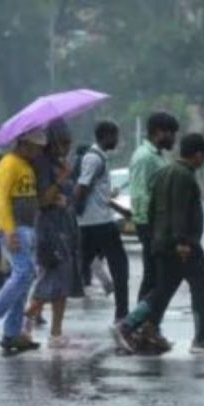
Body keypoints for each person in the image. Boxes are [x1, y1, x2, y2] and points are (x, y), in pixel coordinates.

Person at [112, 134, 204, 355]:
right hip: (181, 244)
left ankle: (128, 325)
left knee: (163, 289)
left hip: (162, 242)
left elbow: (153, 208)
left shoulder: (164, 173)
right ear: (198, 155)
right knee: (200, 279)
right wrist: (183, 243)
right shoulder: (184, 176)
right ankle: (201, 338)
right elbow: (179, 211)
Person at [0, 129, 45, 353]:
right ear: (23, 144)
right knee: (24, 274)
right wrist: (9, 230)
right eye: (35, 148)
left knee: (25, 279)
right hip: (14, 229)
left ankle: (12, 334)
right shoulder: (8, 163)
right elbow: (1, 199)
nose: (37, 153)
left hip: (27, 228)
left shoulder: (26, 166)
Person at [24, 121, 79, 349]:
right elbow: (43, 200)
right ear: (53, 142)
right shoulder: (43, 164)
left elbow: (68, 195)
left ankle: (56, 332)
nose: (67, 147)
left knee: (63, 282)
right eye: (63, 142)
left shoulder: (59, 163)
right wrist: (61, 178)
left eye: (69, 142)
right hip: (48, 229)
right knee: (48, 279)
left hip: (64, 227)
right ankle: (23, 324)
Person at [76, 121, 132, 321]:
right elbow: (82, 187)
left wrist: (122, 210)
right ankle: (122, 315)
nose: (118, 141)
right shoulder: (93, 158)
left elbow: (100, 195)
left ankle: (36, 307)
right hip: (99, 224)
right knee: (120, 266)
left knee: (80, 265)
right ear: (107, 136)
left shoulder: (99, 157)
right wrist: (75, 212)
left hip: (95, 222)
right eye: (116, 136)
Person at [129, 112, 179, 304]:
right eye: (171, 133)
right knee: (154, 275)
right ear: (159, 132)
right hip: (150, 224)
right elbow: (140, 193)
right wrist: (147, 225)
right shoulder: (145, 157)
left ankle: (143, 324)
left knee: (155, 276)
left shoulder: (155, 156)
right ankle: (137, 324)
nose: (174, 139)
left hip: (156, 223)